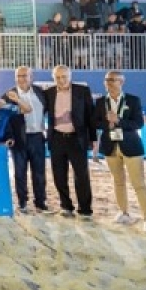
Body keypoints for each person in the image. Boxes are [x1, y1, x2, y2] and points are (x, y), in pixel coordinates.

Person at [94, 71, 146, 234]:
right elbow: (95, 122)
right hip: (110, 146)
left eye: (112, 80)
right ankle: (123, 212)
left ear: (121, 82)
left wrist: (119, 121)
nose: (108, 82)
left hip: (131, 147)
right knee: (118, 181)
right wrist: (106, 124)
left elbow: (138, 124)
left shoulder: (133, 100)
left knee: (138, 183)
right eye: (106, 80)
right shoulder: (101, 101)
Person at [44, 65, 97, 219]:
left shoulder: (82, 91)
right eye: (57, 77)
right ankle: (66, 206)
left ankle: (85, 209)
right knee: (59, 176)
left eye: (64, 77)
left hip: (77, 139)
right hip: (57, 139)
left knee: (81, 175)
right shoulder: (49, 93)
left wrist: (93, 138)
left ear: (70, 76)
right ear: (53, 78)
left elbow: (90, 116)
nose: (61, 80)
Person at [5, 67, 50, 214]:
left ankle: (40, 202)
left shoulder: (40, 92)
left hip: (37, 137)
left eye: (25, 75)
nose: (22, 78)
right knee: (19, 172)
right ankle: (22, 202)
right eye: (19, 76)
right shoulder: (8, 95)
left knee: (39, 172)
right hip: (19, 139)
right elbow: (6, 119)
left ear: (31, 77)